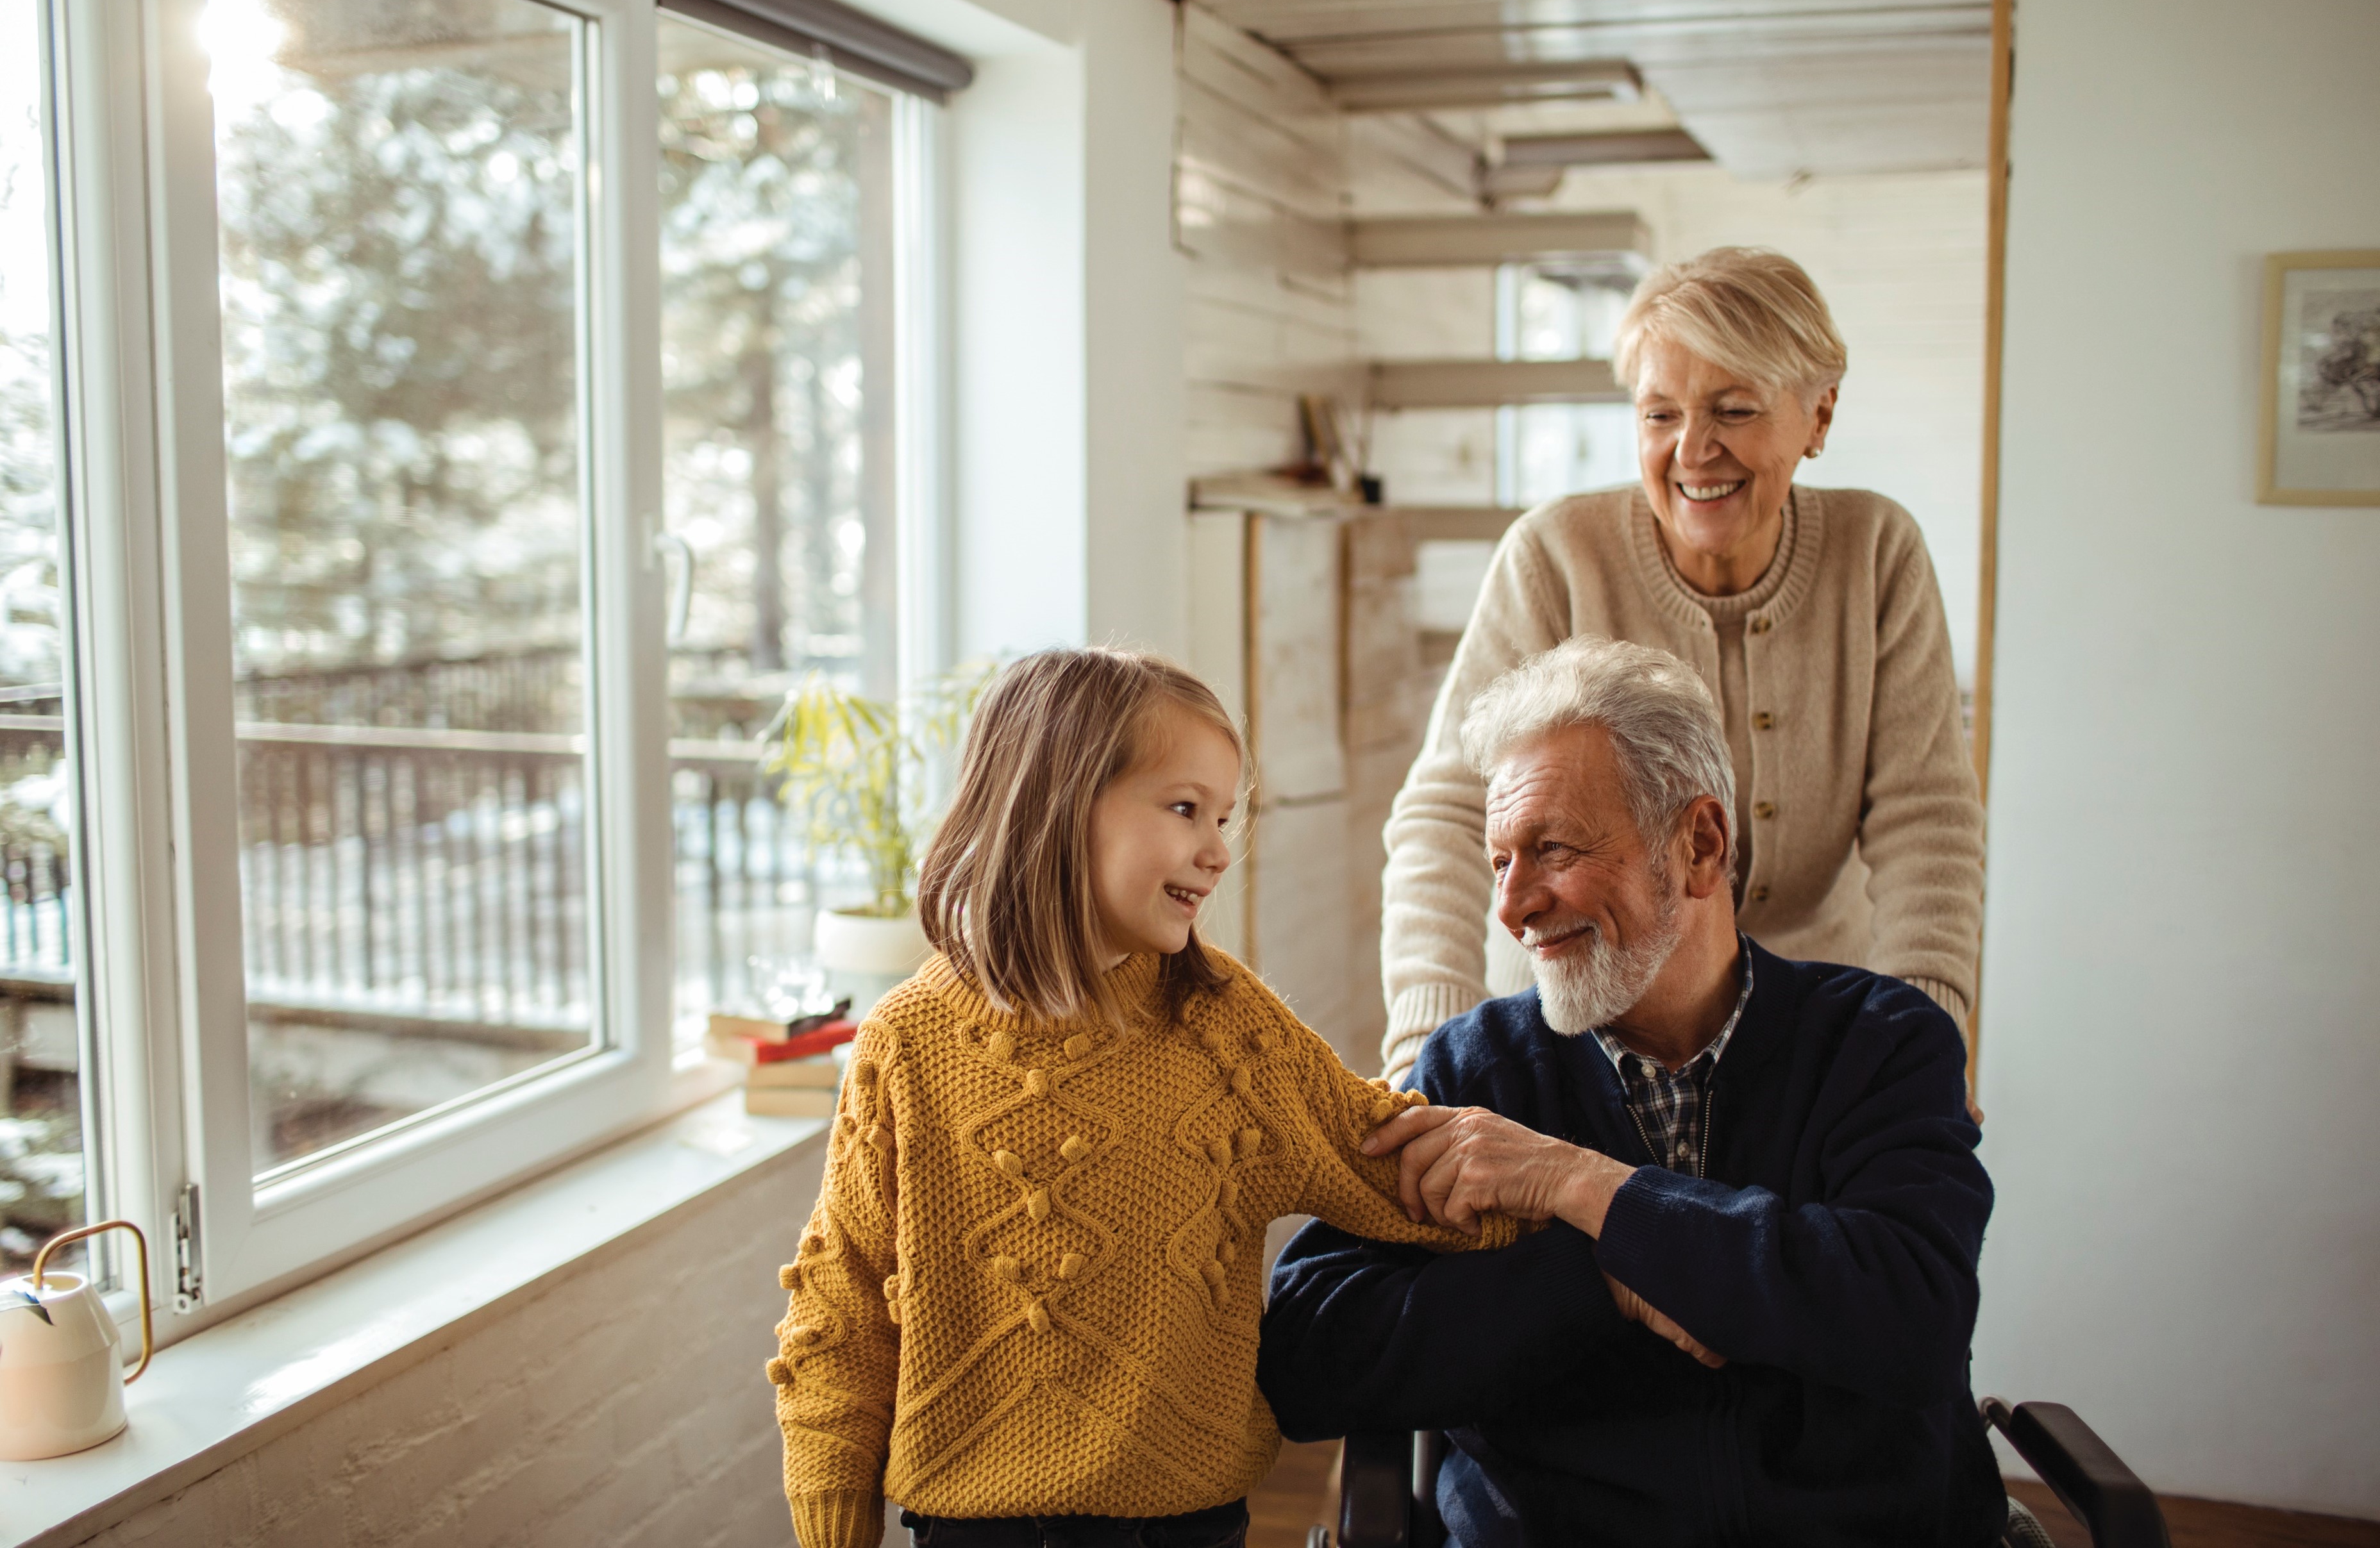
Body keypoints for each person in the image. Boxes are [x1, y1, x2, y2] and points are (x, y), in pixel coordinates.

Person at [1260, 637, 2005, 1547]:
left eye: (1553, 848)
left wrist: (1582, 1189)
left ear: (1699, 844)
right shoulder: (1475, 1071)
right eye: (1500, 861)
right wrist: (1600, 1277)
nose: (1512, 905)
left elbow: (1912, 1318)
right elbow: (1308, 1356)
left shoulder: (1881, 1042)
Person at [766, 647, 1514, 1548]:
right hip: (965, 1527)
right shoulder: (905, 1045)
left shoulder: (1227, 1030)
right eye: (1186, 808)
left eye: (1226, 818)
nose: (1218, 851)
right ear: (1059, 803)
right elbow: (838, 1310)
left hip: (1185, 1525)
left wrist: (1598, 1209)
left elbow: (1395, 1167)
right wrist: (832, 1524)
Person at [1380, 247, 1984, 1081]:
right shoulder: (1557, 556)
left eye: (1733, 410)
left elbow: (1929, 823)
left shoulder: (1878, 554)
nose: (1693, 451)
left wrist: (1924, 1045)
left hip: (1801, 1032)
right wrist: (1429, 1052)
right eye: (1660, 415)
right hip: (1571, 1030)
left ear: (1820, 417)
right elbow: (1446, 810)